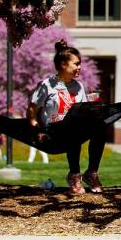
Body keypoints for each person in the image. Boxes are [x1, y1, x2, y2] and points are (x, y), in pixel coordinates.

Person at [27, 40, 106, 195]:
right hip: (53, 133)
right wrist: (36, 129)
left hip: (73, 128)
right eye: (76, 64)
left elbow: (83, 111)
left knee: (101, 125)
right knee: (73, 127)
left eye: (80, 64)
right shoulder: (47, 85)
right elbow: (32, 109)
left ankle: (91, 173)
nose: (79, 67)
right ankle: (74, 175)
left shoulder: (79, 87)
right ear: (63, 64)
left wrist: (95, 106)